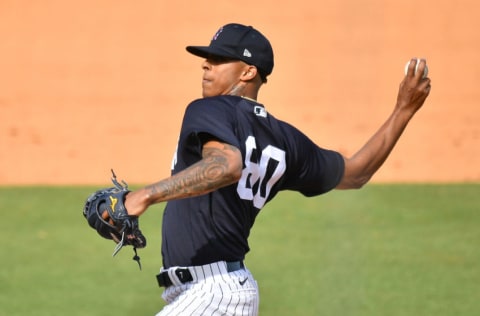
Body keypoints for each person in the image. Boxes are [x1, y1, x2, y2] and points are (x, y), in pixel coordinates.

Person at [123, 23, 431, 315]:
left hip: (212, 293)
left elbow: (226, 165)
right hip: (220, 292)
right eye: (207, 59)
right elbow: (356, 173)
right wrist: (404, 109)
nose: (206, 65)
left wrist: (143, 197)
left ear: (248, 71)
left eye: (218, 59)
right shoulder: (285, 139)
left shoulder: (209, 108)